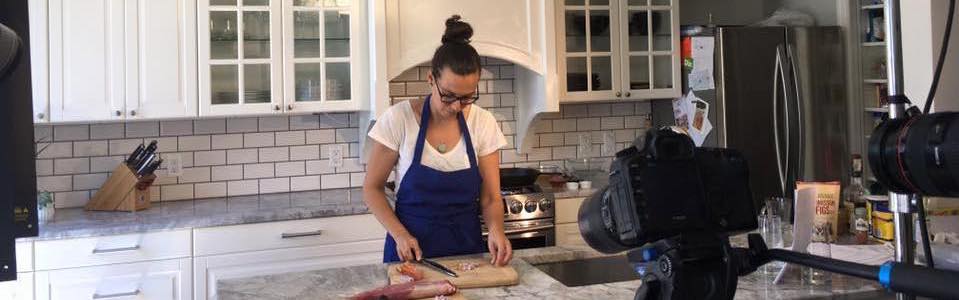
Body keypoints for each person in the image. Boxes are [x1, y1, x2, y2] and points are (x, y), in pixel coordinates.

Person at [363, 15, 513, 266]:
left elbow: (490, 198)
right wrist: (399, 235)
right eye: (449, 95)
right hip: (409, 253)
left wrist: (497, 229)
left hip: (467, 252)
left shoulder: (483, 123)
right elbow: (372, 189)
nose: (456, 106)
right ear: (431, 80)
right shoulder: (399, 119)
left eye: (466, 97)